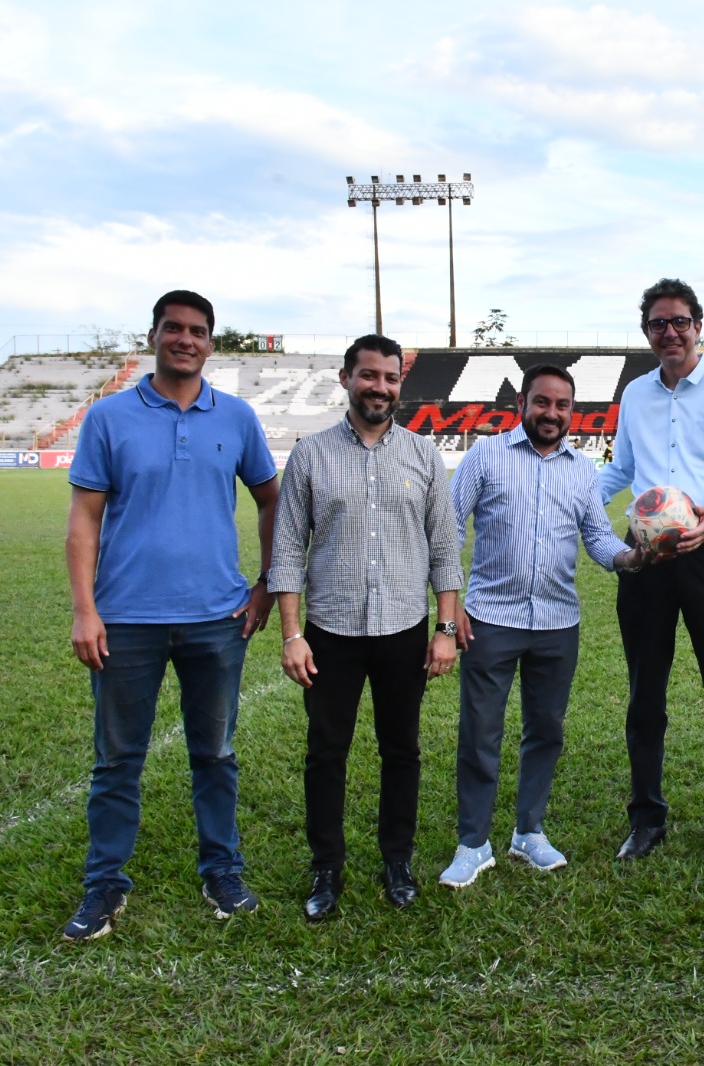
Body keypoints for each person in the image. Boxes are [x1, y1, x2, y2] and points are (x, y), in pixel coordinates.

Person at [63, 289, 279, 941]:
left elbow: (272, 499)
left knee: (214, 754)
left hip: (218, 619)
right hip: (126, 620)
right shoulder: (109, 417)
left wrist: (266, 583)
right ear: (153, 335)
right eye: (174, 328)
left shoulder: (237, 417)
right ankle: (104, 885)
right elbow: (83, 519)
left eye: (198, 331)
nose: (186, 339)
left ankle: (222, 870)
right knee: (117, 760)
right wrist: (85, 611)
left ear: (212, 343)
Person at [269, 335, 463, 920]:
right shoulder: (310, 455)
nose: (380, 387)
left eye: (390, 378)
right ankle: (326, 866)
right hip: (330, 631)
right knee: (326, 752)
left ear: (401, 384)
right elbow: (286, 549)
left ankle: (396, 859)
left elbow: (445, 549)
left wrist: (446, 629)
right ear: (347, 378)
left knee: (401, 749)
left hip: (405, 628)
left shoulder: (424, 456)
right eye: (368, 375)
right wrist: (291, 633)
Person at [440, 365, 651, 888]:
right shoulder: (486, 456)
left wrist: (631, 558)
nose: (552, 413)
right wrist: (451, 608)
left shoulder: (582, 470)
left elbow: (597, 537)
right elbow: (447, 525)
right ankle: (473, 842)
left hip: (558, 623)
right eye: (543, 402)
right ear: (522, 403)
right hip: (490, 618)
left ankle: (528, 831)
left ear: (571, 411)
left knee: (546, 731)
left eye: (562, 406)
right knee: (481, 734)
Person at [597, 278, 704, 865]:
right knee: (645, 692)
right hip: (645, 557)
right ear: (646, 332)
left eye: (679, 321)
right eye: (657, 324)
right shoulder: (637, 395)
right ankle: (646, 818)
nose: (669, 332)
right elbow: (620, 470)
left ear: (699, 325)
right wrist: (566, 495)